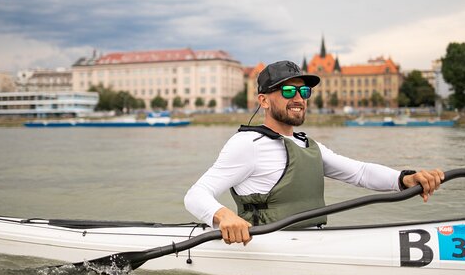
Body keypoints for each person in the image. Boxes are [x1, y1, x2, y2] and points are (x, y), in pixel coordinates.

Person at [184, 60, 444, 245]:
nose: (298, 98)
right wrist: (223, 216)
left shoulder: (307, 145)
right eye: (287, 90)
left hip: (312, 239)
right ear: (263, 100)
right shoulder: (247, 144)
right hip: (266, 247)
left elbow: (360, 173)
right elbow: (196, 194)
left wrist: (405, 179)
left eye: (303, 91)